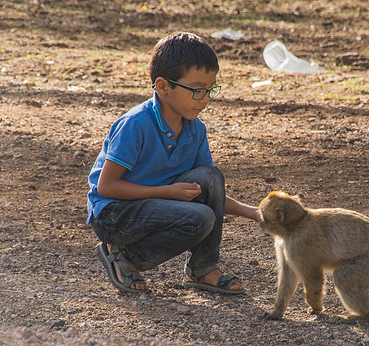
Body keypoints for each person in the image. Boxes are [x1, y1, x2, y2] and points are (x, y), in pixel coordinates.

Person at [87, 32, 260, 295]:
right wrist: (166, 192)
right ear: (163, 86)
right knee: (200, 218)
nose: (205, 99)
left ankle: (203, 269)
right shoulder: (136, 124)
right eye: (197, 90)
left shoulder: (195, 129)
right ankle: (124, 255)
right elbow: (106, 187)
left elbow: (210, 193)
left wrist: (256, 213)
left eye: (210, 90)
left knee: (210, 177)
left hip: (158, 204)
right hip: (115, 214)